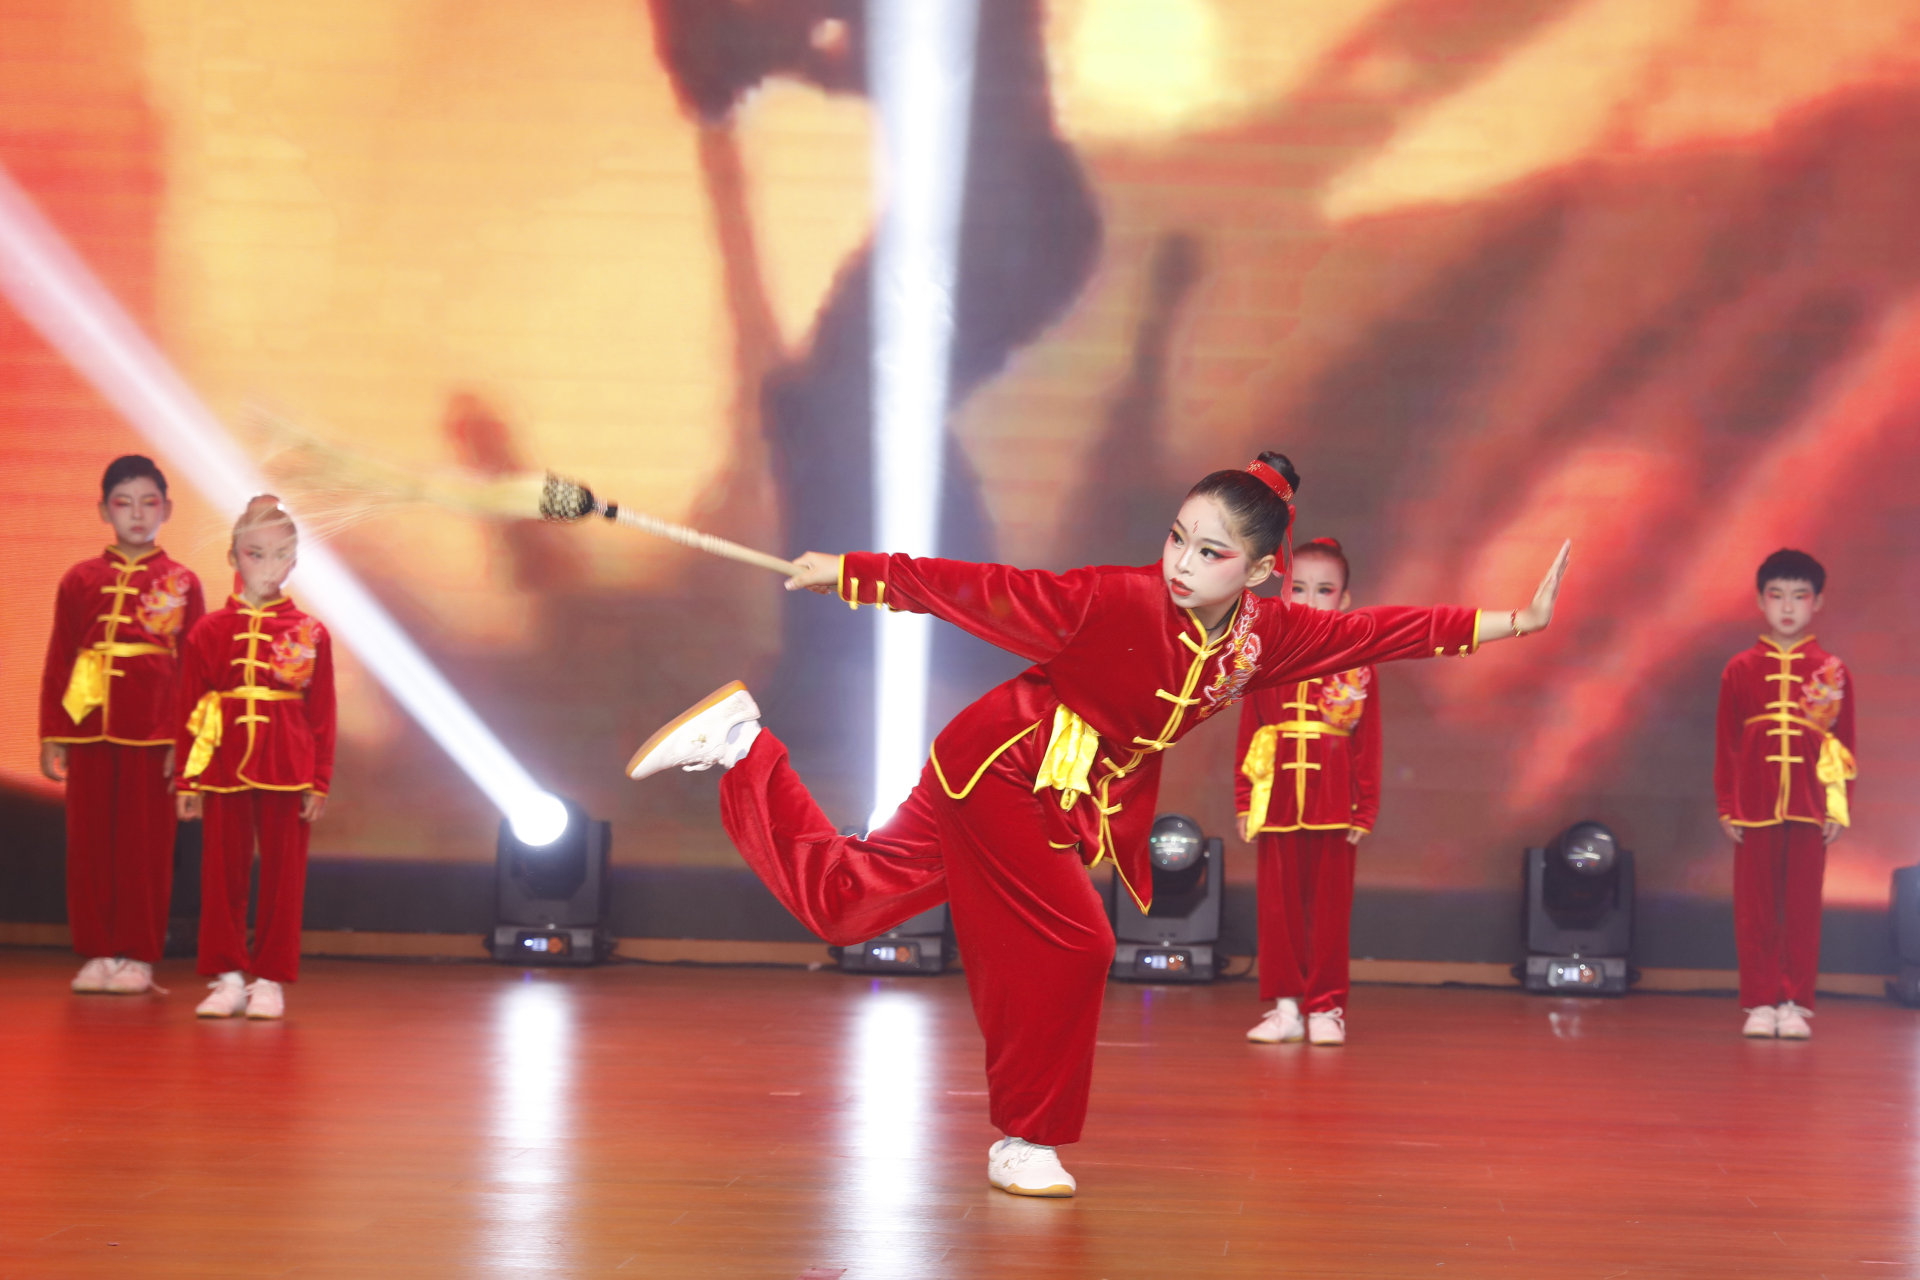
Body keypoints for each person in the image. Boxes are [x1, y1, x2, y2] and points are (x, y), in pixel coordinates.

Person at [627, 454, 1570, 1197]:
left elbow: (1381, 633)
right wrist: (855, 574)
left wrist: (1517, 621)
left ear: (1261, 573)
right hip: (1006, 770)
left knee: (846, 906)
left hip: (1042, 789)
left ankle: (743, 747)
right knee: (1079, 942)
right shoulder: (1113, 600)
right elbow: (981, 588)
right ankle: (1024, 1140)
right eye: (1177, 539)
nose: (1181, 564)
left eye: (1210, 553)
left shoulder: (1264, 639)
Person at [39, 455, 205, 995]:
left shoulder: (182, 581)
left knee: (146, 849)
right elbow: (61, 656)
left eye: (148, 502)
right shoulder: (79, 578)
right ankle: (97, 951)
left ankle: (138, 957)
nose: (137, 514)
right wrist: (53, 732)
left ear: (167, 509)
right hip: (87, 725)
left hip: (154, 731)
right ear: (103, 511)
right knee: (88, 847)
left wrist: (186, 742)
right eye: (123, 503)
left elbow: (195, 668)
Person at [174, 497, 335, 1021]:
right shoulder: (208, 630)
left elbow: (322, 713)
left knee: (284, 878)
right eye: (254, 553)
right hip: (223, 763)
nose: (267, 566)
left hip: (288, 764)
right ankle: (225, 977)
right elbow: (190, 710)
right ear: (233, 557)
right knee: (221, 875)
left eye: (279, 555)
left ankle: (270, 978)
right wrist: (188, 780)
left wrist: (319, 780)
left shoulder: (311, 632)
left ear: (294, 562)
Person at [1236, 537, 1376, 1048]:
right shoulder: (1264, 657)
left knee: (1329, 913)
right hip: (1275, 798)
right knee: (1278, 911)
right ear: (1283, 592)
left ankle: (1327, 1007)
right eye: (1299, 588)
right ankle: (1285, 1007)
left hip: (1334, 801)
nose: (1311, 600)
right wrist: (1244, 799)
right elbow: (1250, 731)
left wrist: (1366, 806)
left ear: (1344, 599)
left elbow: (1369, 740)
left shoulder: (1357, 659)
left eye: (1324, 590)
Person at [1715, 549, 1853, 1041]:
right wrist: (1727, 804)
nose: (1788, 607)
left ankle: (1793, 1003)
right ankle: (1759, 1002)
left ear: (1818, 603)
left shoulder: (1832, 670)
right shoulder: (1739, 669)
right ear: (1761, 602)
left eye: (1800, 596)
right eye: (1777, 596)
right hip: (1753, 806)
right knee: (1755, 909)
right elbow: (1727, 744)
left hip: (1810, 805)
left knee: (1801, 909)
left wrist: (1836, 805)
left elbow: (1842, 745)